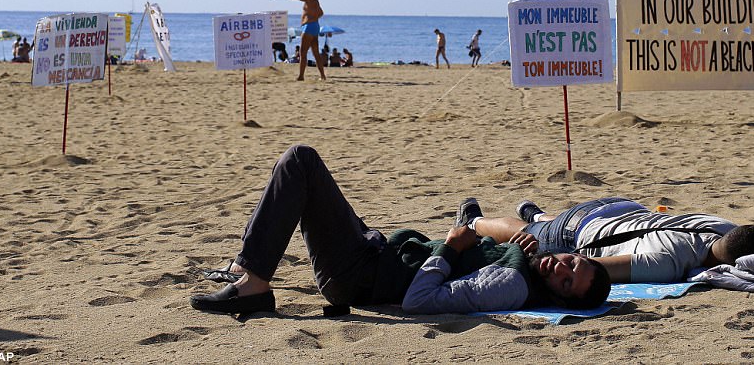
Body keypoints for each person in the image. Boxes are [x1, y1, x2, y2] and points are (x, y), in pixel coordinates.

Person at [189, 145, 611, 316]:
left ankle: (255, 284)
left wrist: (448, 248)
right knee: (306, 186)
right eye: (572, 262)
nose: (561, 267)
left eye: (567, 281)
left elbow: (419, 300)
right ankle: (249, 269)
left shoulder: (510, 285)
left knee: (301, 162)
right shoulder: (527, 262)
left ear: (560, 296)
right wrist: (509, 241)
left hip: (358, 275)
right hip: (376, 253)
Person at [467, 197, 754, 285]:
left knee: (546, 224)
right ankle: (474, 221)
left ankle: (539, 215)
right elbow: (590, 266)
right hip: (577, 231)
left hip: (621, 206)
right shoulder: (667, 261)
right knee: (525, 234)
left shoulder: (721, 225)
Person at [274, 0, 327, 81]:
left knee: (303, 53)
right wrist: (313, 18)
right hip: (315, 26)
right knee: (315, 53)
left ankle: (301, 76)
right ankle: (322, 76)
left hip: (309, 27)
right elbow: (321, 12)